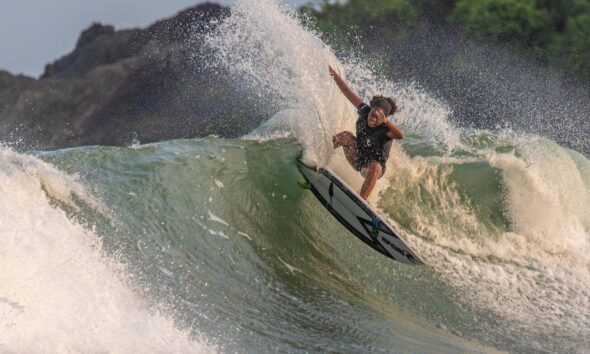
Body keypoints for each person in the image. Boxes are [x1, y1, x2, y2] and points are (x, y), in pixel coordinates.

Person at [329, 65, 403, 200]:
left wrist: (386, 122)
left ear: (384, 119)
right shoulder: (364, 110)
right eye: (372, 114)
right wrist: (331, 72)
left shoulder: (386, 130)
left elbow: (400, 135)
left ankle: (360, 201)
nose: (372, 119)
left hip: (372, 169)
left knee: (375, 166)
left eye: (377, 117)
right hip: (357, 157)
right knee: (346, 136)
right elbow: (346, 90)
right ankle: (319, 153)